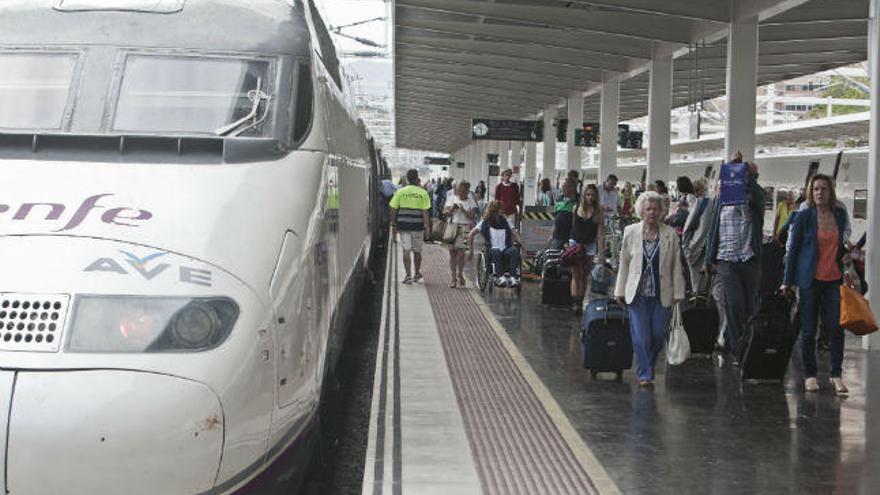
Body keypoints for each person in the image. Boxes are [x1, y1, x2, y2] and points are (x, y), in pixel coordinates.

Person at [781, 174, 850, 395]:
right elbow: (793, 251)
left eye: (824, 189)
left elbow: (842, 245)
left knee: (836, 328)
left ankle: (836, 374)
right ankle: (810, 375)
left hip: (834, 279)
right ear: (811, 193)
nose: (820, 193)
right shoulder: (803, 216)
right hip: (809, 280)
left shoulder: (838, 214)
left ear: (831, 193)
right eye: (816, 189)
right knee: (809, 330)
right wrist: (787, 282)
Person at [615, 191, 685, 386]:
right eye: (648, 209)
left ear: (661, 211)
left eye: (656, 209)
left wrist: (679, 292)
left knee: (657, 334)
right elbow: (624, 263)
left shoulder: (670, 234)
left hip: (661, 293)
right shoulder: (630, 232)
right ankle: (644, 373)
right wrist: (619, 290)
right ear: (641, 211)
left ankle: (649, 364)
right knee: (640, 336)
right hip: (637, 294)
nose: (652, 212)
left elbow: (676, 265)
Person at [703, 154, 766, 362]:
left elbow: (758, 194)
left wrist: (746, 175)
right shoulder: (723, 199)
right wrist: (708, 260)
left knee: (749, 307)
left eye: (753, 176)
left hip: (749, 259)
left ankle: (733, 343)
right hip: (727, 260)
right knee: (735, 304)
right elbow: (713, 229)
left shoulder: (755, 200)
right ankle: (738, 350)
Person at [682, 180, 727, 349]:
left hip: (720, 259)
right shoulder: (703, 203)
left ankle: (720, 336)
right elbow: (688, 230)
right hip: (698, 257)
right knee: (699, 296)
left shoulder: (731, 208)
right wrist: (688, 252)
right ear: (715, 189)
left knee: (719, 296)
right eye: (721, 188)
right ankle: (698, 335)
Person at [389, 169, 432, 284]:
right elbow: (425, 211)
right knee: (417, 251)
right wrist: (427, 227)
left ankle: (408, 275)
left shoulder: (400, 191)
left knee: (406, 250)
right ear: (417, 178)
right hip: (417, 226)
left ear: (407, 178)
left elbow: (393, 208)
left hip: (403, 225)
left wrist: (393, 223)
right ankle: (417, 273)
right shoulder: (423, 193)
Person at [468, 201, 523, 288]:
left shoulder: (506, 221)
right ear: (495, 211)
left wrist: (523, 246)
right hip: (492, 248)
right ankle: (499, 277)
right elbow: (471, 234)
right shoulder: (484, 222)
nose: (502, 210)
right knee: (496, 251)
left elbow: (515, 234)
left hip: (506, 248)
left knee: (514, 251)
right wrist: (471, 250)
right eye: (500, 209)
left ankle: (513, 277)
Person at [570, 184, 605, 311]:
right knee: (575, 273)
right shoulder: (576, 208)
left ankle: (580, 299)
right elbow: (573, 227)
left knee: (584, 274)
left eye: (593, 195)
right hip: (575, 244)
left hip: (590, 246)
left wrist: (601, 253)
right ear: (583, 195)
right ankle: (575, 302)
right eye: (588, 194)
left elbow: (600, 233)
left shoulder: (599, 211)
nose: (590, 197)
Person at [443, 181, 477, 288]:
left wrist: (463, 210)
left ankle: (460, 273)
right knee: (452, 253)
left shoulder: (471, 201)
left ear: (467, 190)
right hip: (452, 227)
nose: (458, 192)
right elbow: (445, 212)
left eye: (461, 190)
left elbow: (472, 216)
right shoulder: (451, 198)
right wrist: (452, 209)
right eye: (457, 190)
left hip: (464, 228)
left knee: (461, 253)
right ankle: (453, 278)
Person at [549, 178, 578, 249]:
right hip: (557, 237)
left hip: (572, 239)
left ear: (573, 188)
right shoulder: (559, 199)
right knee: (553, 256)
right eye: (563, 186)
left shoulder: (578, 200)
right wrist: (551, 235)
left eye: (565, 186)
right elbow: (556, 219)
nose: (563, 189)